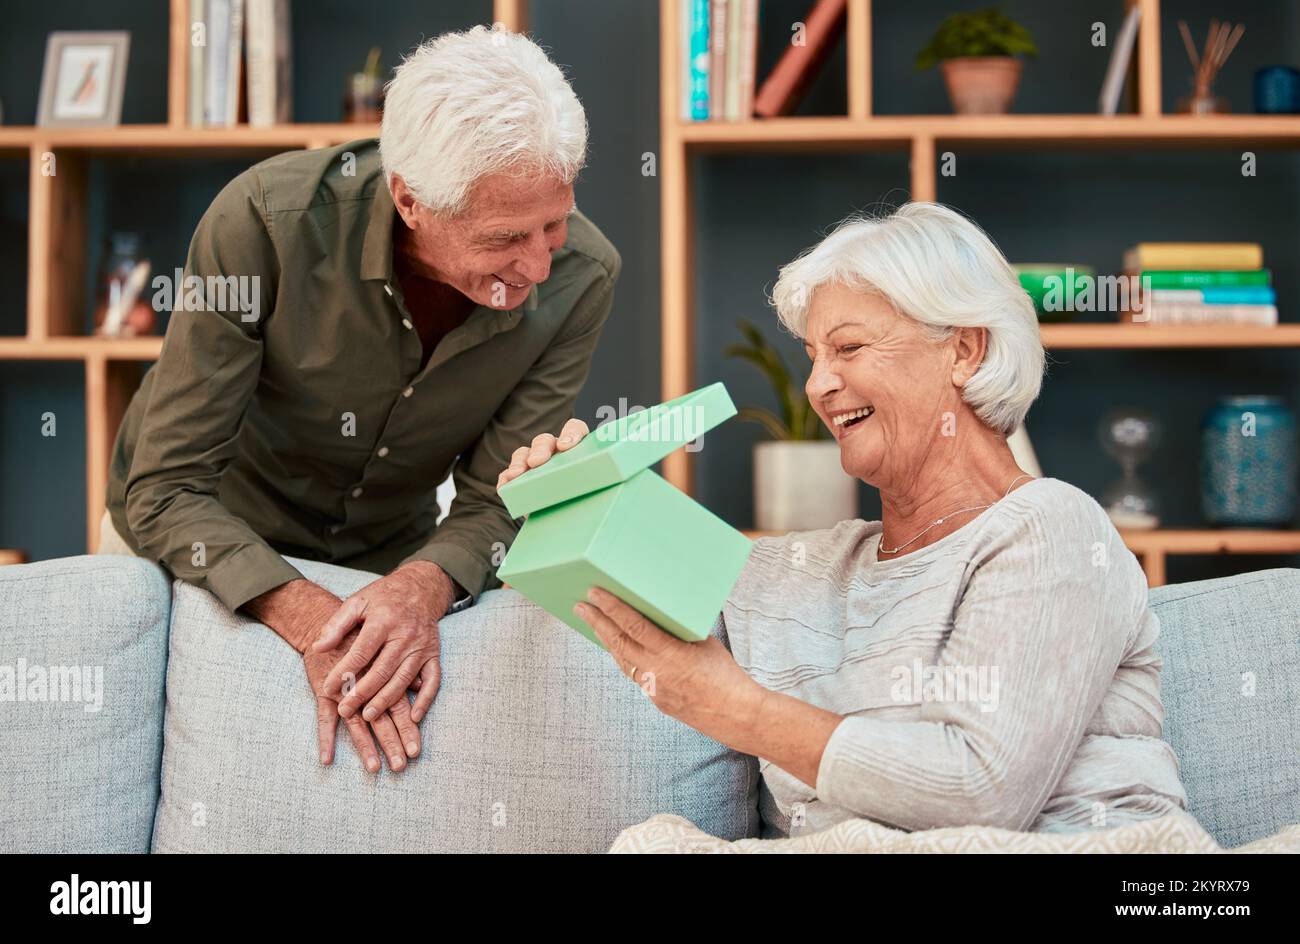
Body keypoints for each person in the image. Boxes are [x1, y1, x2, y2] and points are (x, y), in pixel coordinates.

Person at [500, 202, 1188, 834]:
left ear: (964, 349)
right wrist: (563, 498)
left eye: (849, 348)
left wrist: (737, 709)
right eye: (813, 356)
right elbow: (618, 597)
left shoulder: (1049, 527)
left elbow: (983, 790)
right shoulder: (796, 571)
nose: (818, 385)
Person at [100, 26, 620, 775]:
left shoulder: (584, 277)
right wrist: (314, 619)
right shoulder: (262, 224)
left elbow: (501, 498)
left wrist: (416, 589)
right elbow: (166, 489)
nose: (538, 265)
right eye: (506, 236)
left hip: (382, 564)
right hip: (189, 543)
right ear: (410, 200)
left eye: (554, 223)